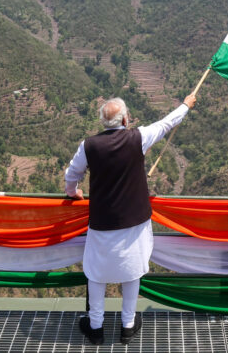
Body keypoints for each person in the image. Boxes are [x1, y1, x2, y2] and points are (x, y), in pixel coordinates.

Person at [65, 94, 196, 345]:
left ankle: (95, 327)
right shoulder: (138, 137)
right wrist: (186, 105)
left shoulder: (88, 146)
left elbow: (72, 176)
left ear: (103, 121)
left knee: (96, 273)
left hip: (103, 221)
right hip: (135, 220)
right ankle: (127, 325)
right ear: (125, 118)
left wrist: (74, 193)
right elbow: (167, 123)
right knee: (132, 270)